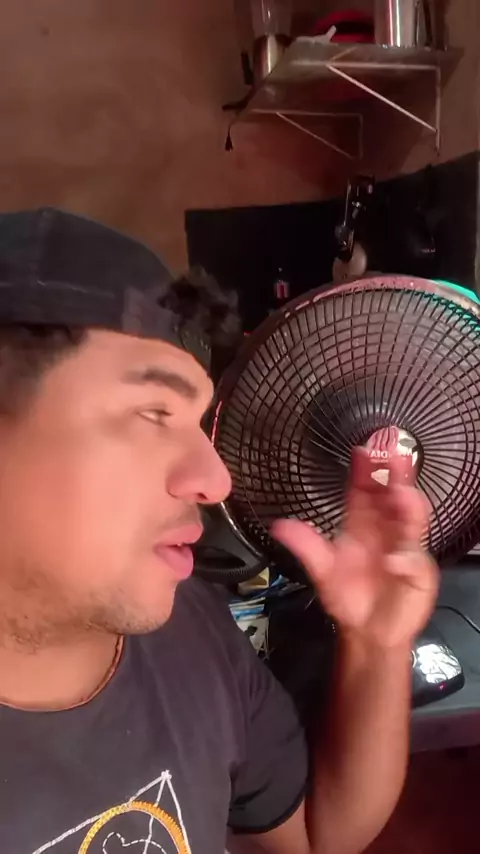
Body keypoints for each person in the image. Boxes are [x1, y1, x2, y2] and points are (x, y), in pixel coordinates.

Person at [0, 208, 437, 854]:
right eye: (154, 412)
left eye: (196, 425)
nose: (215, 480)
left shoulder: (192, 631)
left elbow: (317, 835)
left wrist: (376, 645)